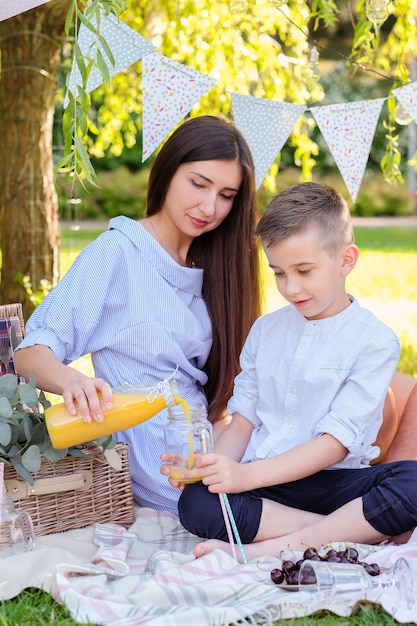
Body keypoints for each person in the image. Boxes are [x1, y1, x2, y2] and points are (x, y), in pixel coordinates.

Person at [14, 114, 262, 516]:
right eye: (198, 184)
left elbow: (220, 396)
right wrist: (75, 383)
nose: (209, 206)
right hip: (161, 463)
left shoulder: (217, 266)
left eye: (227, 195)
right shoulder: (116, 254)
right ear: (167, 171)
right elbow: (29, 353)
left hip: (214, 446)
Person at [174, 182, 417, 560]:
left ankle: (264, 550)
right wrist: (213, 469)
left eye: (304, 271)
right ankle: (345, 532)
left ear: (346, 260)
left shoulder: (375, 341)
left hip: (336, 482)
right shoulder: (265, 331)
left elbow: (334, 444)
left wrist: (244, 478)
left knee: (413, 481)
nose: (291, 287)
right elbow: (242, 423)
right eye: (279, 272)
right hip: (271, 483)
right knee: (197, 503)